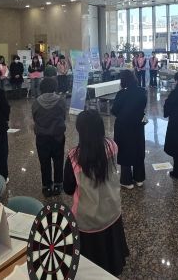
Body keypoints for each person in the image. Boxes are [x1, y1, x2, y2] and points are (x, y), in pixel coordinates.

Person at [63, 110, 129, 276]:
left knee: (92, 262)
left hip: (88, 218)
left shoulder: (73, 157)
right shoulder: (111, 146)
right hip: (112, 209)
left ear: (80, 130)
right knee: (110, 247)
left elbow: (68, 189)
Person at [111, 70, 147, 189]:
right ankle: (139, 178)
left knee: (125, 150)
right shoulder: (142, 91)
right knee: (138, 149)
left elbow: (114, 110)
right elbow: (142, 106)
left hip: (123, 126)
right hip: (138, 125)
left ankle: (127, 181)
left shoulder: (121, 94)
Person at [32, 77, 67, 197]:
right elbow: (63, 116)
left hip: (42, 137)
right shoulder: (61, 100)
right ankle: (58, 184)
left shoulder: (36, 102)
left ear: (41, 87)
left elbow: (35, 117)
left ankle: (46, 186)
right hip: (57, 135)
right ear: (54, 87)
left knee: (44, 161)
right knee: (58, 160)